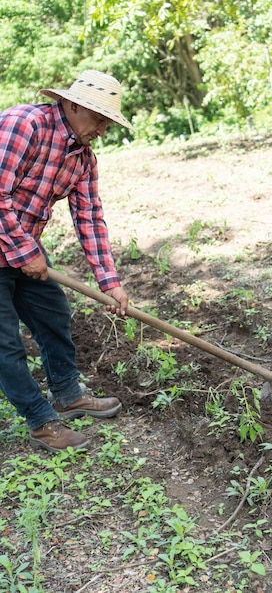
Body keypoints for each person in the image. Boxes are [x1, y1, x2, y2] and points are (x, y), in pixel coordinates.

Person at [0, 69, 134, 453]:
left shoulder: (82, 159)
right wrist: (28, 253)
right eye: (99, 119)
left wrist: (110, 283)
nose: (102, 130)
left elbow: (90, 218)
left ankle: (67, 394)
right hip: (16, 244)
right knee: (6, 342)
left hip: (21, 245)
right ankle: (41, 421)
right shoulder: (23, 125)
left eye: (108, 123)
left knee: (53, 313)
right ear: (73, 105)